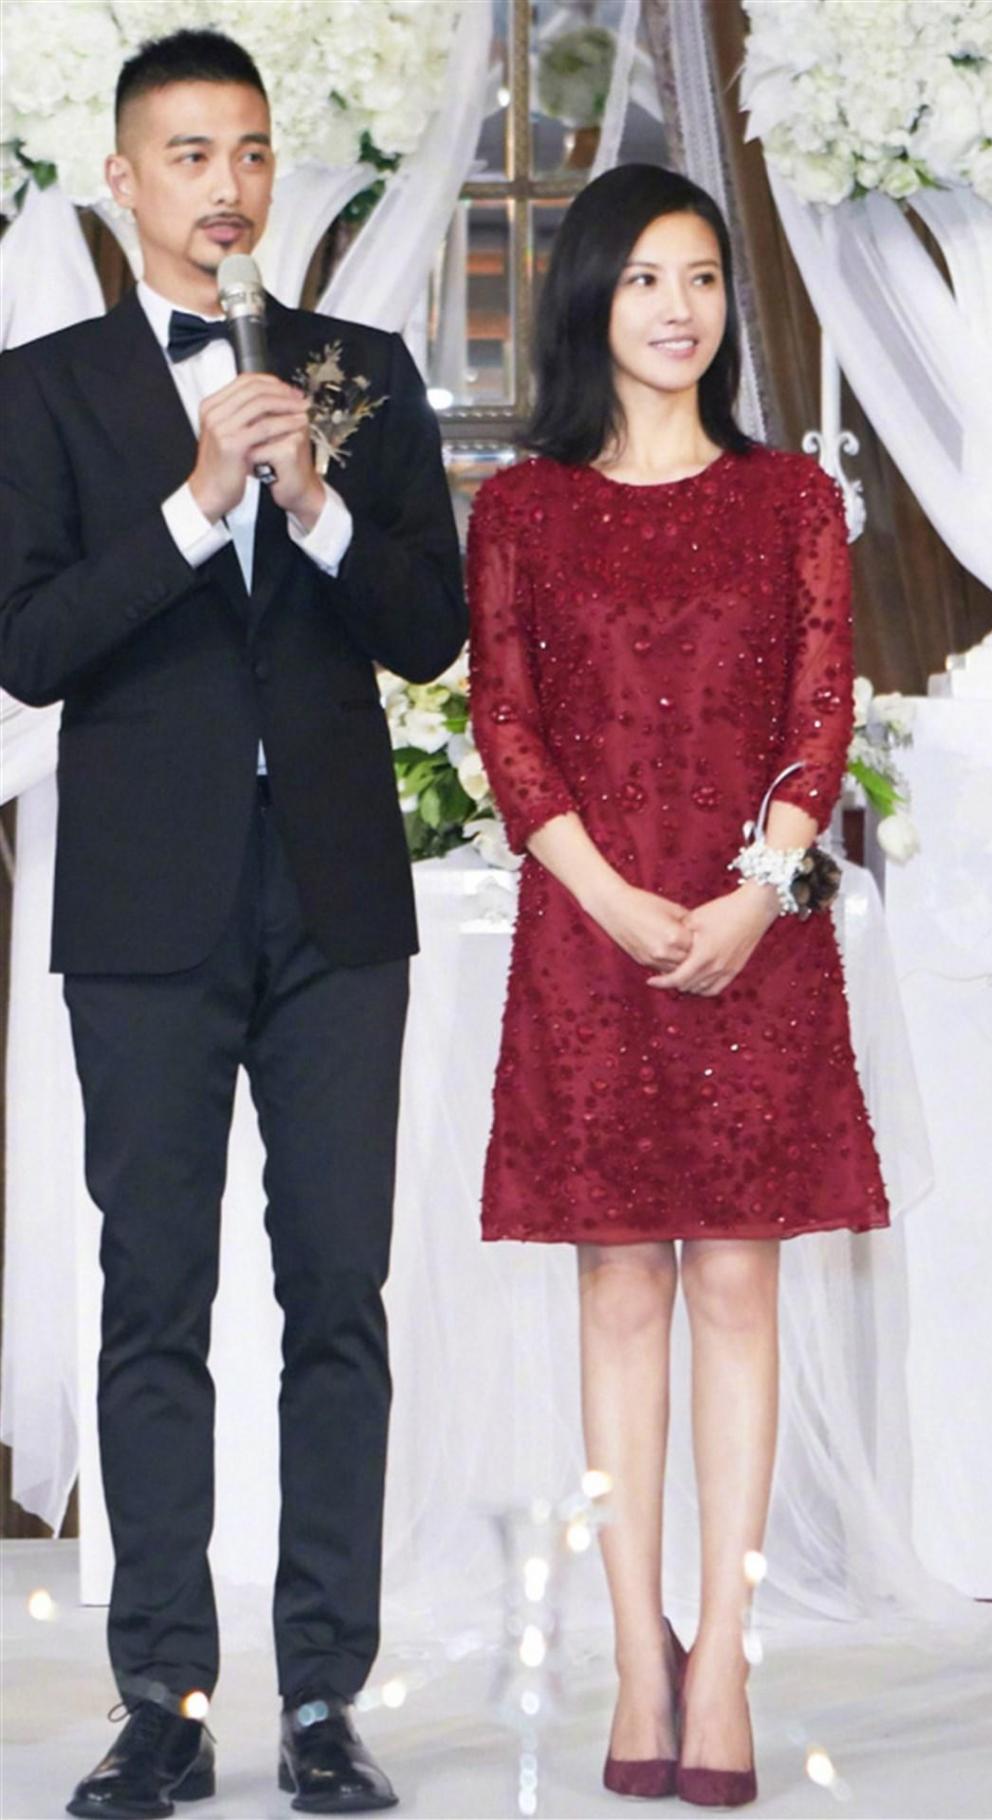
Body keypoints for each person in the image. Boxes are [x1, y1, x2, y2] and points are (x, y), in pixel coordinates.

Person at [0, 28, 465, 1820]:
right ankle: (166, 1702)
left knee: (340, 1294)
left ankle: (327, 1699)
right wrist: (198, 507)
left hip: (337, 901)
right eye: (190, 155)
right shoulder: (43, 392)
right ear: (124, 181)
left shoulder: (361, 370)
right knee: (155, 1302)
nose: (227, 185)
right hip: (144, 910)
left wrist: (316, 508)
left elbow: (428, 631)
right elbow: (29, 646)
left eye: (252, 152)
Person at [467, 163, 889, 1809]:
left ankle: (722, 1653)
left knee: (737, 1287)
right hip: (592, 941)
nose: (677, 306)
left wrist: (758, 896)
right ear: (591, 297)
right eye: (645, 276)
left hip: (753, 945)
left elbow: (821, 709)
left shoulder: (790, 500)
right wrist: (612, 899)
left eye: (701, 276)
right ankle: (635, 1657)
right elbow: (508, 726)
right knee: (621, 1292)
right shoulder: (523, 509)